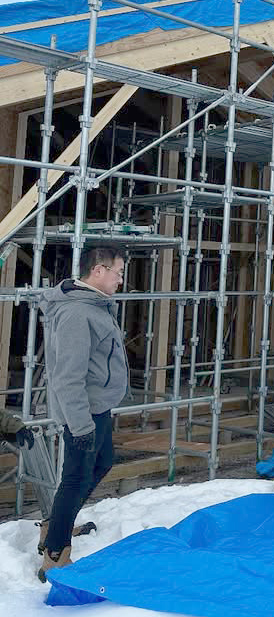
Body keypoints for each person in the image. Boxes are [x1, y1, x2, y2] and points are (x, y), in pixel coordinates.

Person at [37, 246, 129, 581]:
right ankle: (55, 555)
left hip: (97, 407)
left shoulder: (94, 305)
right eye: (119, 272)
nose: (121, 280)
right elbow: (67, 376)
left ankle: (55, 525)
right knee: (75, 478)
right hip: (84, 412)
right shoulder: (77, 313)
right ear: (98, 270)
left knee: (102, 462)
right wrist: (80, 425)